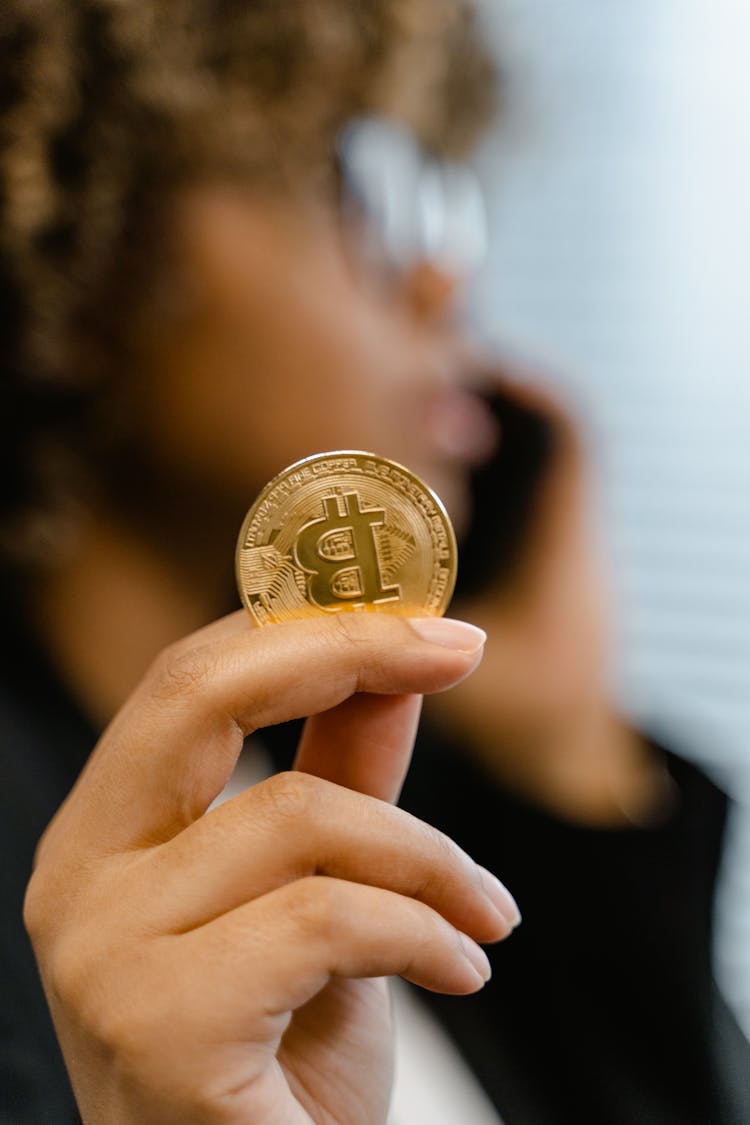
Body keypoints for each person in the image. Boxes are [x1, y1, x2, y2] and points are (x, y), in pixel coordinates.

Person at [1, 1, 747, 1122]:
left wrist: (567, 770)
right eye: (359, 176)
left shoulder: (391, 794)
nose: (443, 282)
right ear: (78, 224)